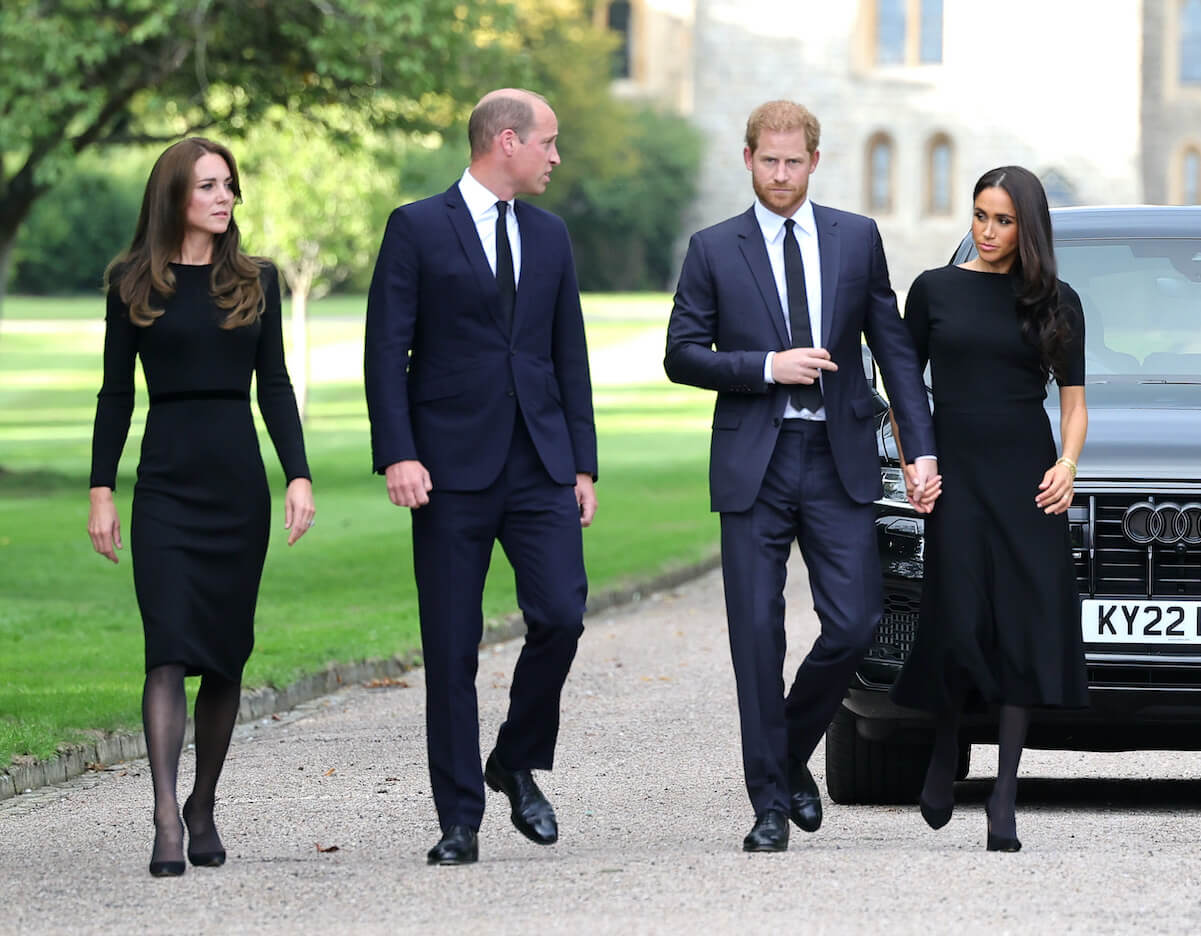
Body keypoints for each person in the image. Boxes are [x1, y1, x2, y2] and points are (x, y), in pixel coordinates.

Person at [664, 100, 939, 852]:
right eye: (767, 161)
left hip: (837, 461)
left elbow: (893, 351)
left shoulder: (856, 239)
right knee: (754, 637)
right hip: (753, 462)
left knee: (853, 623)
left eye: (793, 162)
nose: (780, 175)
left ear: (814, 162)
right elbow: (681, 354)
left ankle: (785, 754)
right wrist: (763, 368)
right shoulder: (713, 248)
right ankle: (766, 806)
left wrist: (921, 450)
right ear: (747, 159)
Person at [364, 88, 598, 867]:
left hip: (539, 465)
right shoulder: (416, 228)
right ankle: (458, 819)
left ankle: (513, 757)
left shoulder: (553, 235)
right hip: (447, 471)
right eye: (548, 143)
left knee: (561, 615)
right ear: (506, 141)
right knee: (452, 648)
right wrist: (398, 452)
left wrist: (582, 463)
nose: (556, 157)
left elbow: (568, 357)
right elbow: (385, 351)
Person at [87, 138, 315, 877]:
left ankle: (203, 804)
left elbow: (274, 384)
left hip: (235, 486)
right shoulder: (131, 282)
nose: (224, 198)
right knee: (168, 647)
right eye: (208, 186)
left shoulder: (256, 279)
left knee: (224, 653)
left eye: (229, 186)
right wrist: (100, 490)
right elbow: (116, 392)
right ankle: (163, 815)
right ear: (174, 196)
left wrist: (299, 476)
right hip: (164, 485)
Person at [891, 166, 1089, 852]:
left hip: (1027, 479)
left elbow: (1072, 401)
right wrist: (916, 462)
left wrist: (1066, 466)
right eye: (979, 215)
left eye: (1003, 220)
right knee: (957, 619)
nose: (987, 230)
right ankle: (945, 746)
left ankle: (1003, 794)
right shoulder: (934, 289)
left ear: (1026, 225)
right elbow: (904, 389)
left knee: (1023, 629)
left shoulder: (1056, 300)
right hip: (956, 476)